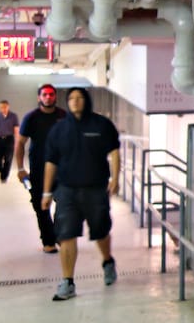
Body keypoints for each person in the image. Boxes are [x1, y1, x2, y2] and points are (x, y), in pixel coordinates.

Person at [42, 88, 119, 301]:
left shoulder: (101, 125)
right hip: (66, 190)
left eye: (79, 98)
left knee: (100, 231)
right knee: (66, 234)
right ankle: (67, 282)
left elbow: (114, 151)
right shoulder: (59, 130)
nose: (75, 102)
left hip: (95, 189)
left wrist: (115, 178)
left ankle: (107, 261)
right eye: (71, 99)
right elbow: (51, 162)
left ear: (86, 101)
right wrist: (47, 192)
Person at [15, 84, 66, 253]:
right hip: (38, 170)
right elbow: (20, 143)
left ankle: (58, 233)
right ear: (39, 98)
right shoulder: (31, 118)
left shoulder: (63, 116)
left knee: (64, 203)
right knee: (41, 207)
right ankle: (48, 241)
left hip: (61, 169)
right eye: (44, 95)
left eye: (51, 94)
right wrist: (21, 168)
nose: (48, 97)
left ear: (55, 97)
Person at [0, 99, 18, 182]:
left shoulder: (13, 116)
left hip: (9, 139)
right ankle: (3, 173)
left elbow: (16, 130)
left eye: (5, 107)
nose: (3, 109)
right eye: (1, 107)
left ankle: (4, 177)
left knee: (8, 159)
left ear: (8, 107)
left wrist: (17, 143)